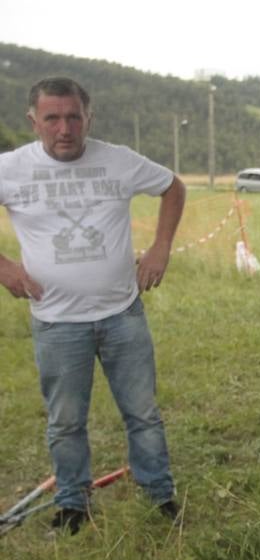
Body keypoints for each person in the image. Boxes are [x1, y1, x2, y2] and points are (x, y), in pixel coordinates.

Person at [0, 77, 186, 534]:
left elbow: (173, 187)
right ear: (34, 121)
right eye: (52, 118)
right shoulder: (11, 168)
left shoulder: (118, 160)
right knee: (65, 422)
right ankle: (72, 506)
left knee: (143, 414)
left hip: (122, 314)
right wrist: (3, 267)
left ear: (89, 118)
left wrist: (161, 247)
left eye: (74, 117)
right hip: (57, 322)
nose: (64, 129)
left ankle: (159, 496)